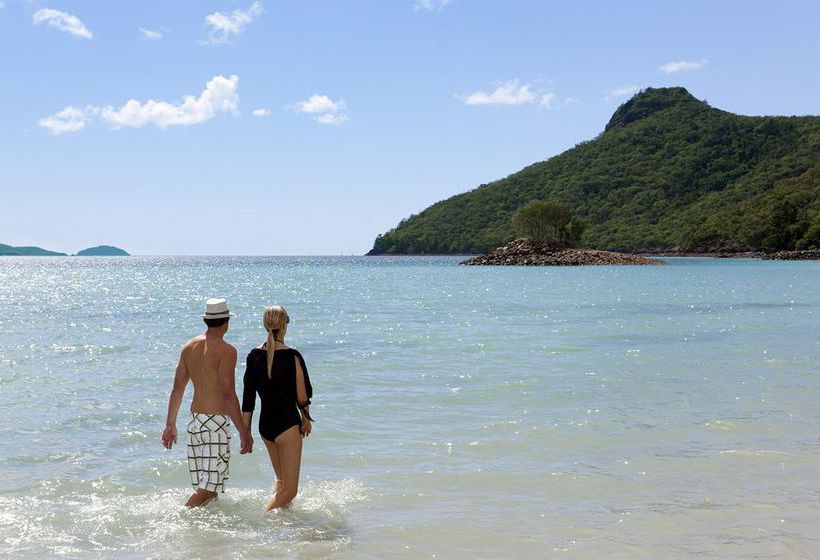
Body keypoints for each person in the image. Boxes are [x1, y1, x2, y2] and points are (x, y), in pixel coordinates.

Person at [161, 298, 253, 508]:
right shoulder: (227, 351)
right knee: (207, 490)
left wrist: (170, 424)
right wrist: (243, 432)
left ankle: (205, 530)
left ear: (206, 321)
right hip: (214, 425)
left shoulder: (188, 347)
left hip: (195, 423)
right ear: (226, 322)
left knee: (210, 491)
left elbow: (177, 389)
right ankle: (177, 519)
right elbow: (228, 394)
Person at [242, 305, 313, 512]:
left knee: (282, 483)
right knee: (290, 490)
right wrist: (306, 419)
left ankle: (281, 526)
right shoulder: (292, 356)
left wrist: (246, 432)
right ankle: (263, 520)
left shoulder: (253, 356)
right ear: (284, 325)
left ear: (266, 325)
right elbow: (302, 396)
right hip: (287, 426)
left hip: (265, 427)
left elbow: (248, 399)